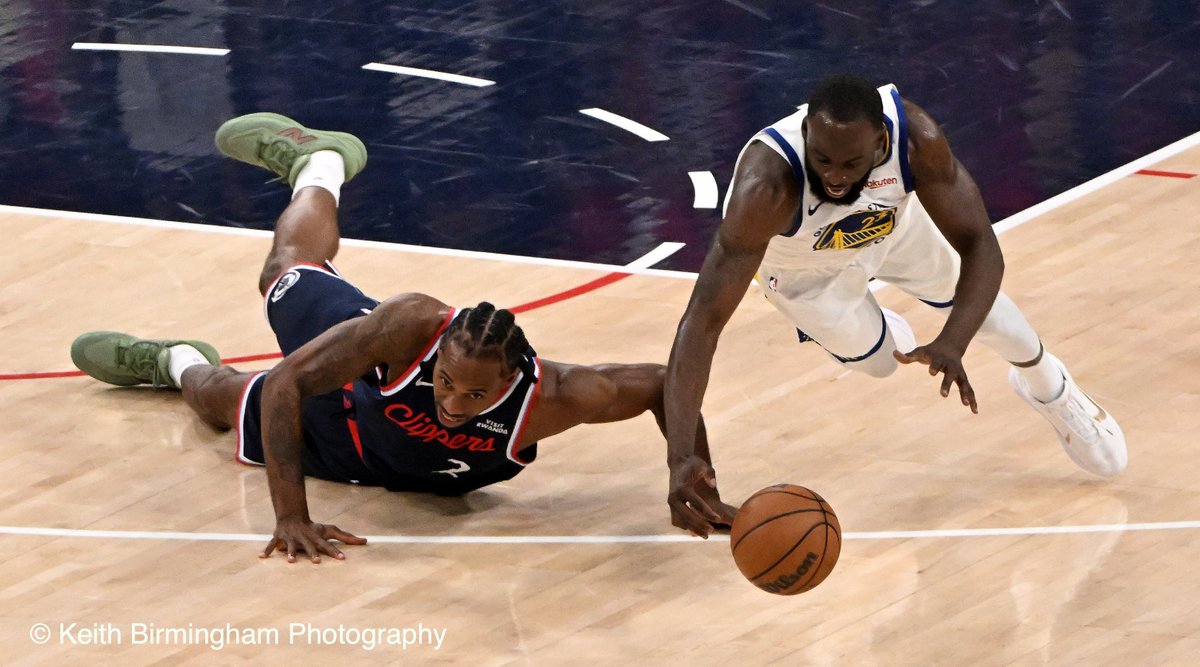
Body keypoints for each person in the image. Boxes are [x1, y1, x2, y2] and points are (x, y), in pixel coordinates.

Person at [71, 112, 736, 563]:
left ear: (508, 384)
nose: (452, 399)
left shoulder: (556, 396)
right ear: (437, 354)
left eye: (474, 393)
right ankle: (317, 167)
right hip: (348, 407)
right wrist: (290, 517)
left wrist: (687, 463)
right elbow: (288, 385)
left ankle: (183, 358)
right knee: (242, 350)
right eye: (446, 380)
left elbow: (661, 382)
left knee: (232, 404)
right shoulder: (407, 328)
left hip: (388, 461)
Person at [662, 75, 1127, 537]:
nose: (837, 176)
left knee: (986, 313)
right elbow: (702, 322)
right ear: (805, 133)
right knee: (882, 364)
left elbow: (981, 246)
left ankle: (1052, 388)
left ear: (882, 141)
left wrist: (952, 342)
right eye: (822, 159)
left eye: (852, 162)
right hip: (805, 272)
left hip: (891, 229)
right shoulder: (765, 189)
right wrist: (682, 458)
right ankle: (878, 330)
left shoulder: (915, 140)